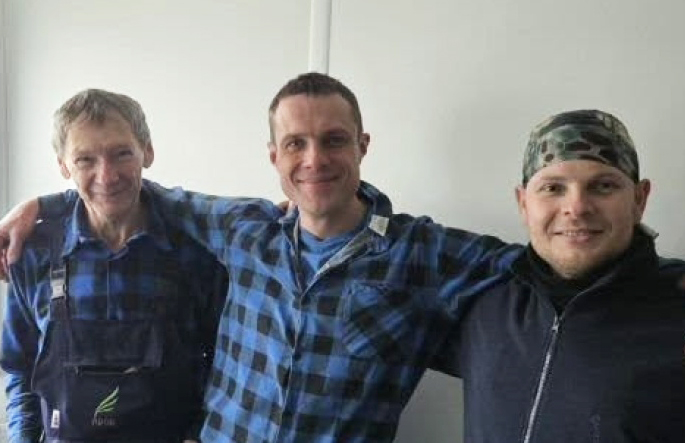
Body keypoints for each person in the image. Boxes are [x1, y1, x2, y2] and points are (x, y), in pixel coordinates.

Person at [0, 73, 520, 442]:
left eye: (333, 141)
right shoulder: (246, 231)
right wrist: (45, 206)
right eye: (295, 144)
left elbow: (532, 264)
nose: (314, 160)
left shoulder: (421, 254)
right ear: (274, 155)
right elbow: (127, 192)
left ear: (362, 145)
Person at [439, 109, 685, 442]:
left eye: (604, 186)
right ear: (523, 203)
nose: (577, 207)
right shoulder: (481, 295)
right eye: (553, 188)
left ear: (639, 200)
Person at [0, 89, 228, 442]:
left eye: (121, 154)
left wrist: (199, 435)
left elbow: (224, 364)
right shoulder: (33, 255)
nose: (107, 176)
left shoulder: (196, 254)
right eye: (85, 160)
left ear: (147, 151)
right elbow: (19, 368)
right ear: (63, 165)